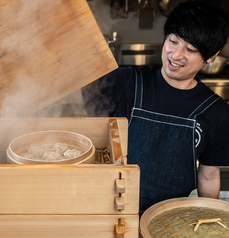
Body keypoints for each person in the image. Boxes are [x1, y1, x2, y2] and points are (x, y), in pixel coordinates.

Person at [82, 0, 229, 215]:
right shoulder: (124, 83)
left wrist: (209, 219)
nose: (176, 55)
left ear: (211, 56)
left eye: (190, 49)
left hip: (169, 219)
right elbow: (76, 108)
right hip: (110, 212)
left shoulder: (216, 112)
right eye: (173, 41)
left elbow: (208, 175)